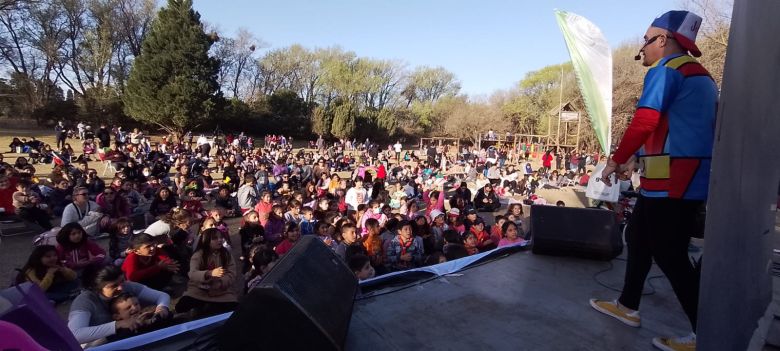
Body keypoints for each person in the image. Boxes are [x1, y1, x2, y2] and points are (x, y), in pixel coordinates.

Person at [589, 11, 717, 351]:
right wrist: (635, 157)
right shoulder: (701, 75)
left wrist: (615, 159)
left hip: (675, 176)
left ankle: (706, 333)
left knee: (669, 253)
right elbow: (674, 129)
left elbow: (646, 120)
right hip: (673, 172)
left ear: (663, 40)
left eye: (645, 40)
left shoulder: (667, 70)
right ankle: (628, 304)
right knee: (639, 235)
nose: (641, 48)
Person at [67, 265, 171, 346]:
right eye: (114, 286)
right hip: (98, 345)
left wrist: (161, 308)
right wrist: (118, 324)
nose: (121, 288)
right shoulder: (85, 301)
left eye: (122, 281)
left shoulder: (127, 286)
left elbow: (162, 296)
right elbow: (75, 335)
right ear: (96, 287)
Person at [176, 228, 238, 318]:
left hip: (221, 292)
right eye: (215, 238)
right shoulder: (198, 255)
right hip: (199, 291)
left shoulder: (226, 254)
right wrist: (209, 273)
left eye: (221, 237)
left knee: (233, 308)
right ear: (206, 240)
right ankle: (202, 308)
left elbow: (231, 274)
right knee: (180, 307)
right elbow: (192, 273)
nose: (220, 240)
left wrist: (220, 282)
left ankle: (206, 308)